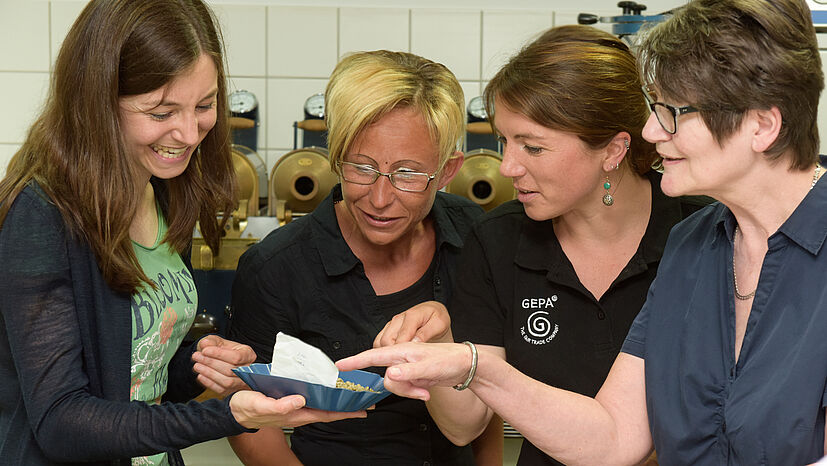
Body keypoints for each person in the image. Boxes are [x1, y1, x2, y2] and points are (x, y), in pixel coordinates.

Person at [339, 0, 827, 465]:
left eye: (672, 113)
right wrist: (472, 367)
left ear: (762, 126)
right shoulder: (695, 246)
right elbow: (614, 436)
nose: (651, 132)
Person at [0, 1, 361, 465]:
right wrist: (230, 415)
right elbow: (61, 421)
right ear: (96, 102)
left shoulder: (165, 195)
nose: (190, 133)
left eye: (205, 105)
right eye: (160, 111)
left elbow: (144, 375)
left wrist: (207, 367)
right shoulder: (41, 214)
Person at [373, 24, 706, 466]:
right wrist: (442, 349)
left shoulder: (702, 235)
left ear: (613, 149)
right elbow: (463, 426)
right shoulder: (498, 240)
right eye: (504, 141)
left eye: (532, 147)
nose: (508, 167)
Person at [226, 50, 491, 465]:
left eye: (407, 174)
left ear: (448, 170)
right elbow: (248, 421)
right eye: (361, 168)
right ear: (335, 155)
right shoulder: (276, 267)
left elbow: (489, 391)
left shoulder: (478, 237)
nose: (380, 200)